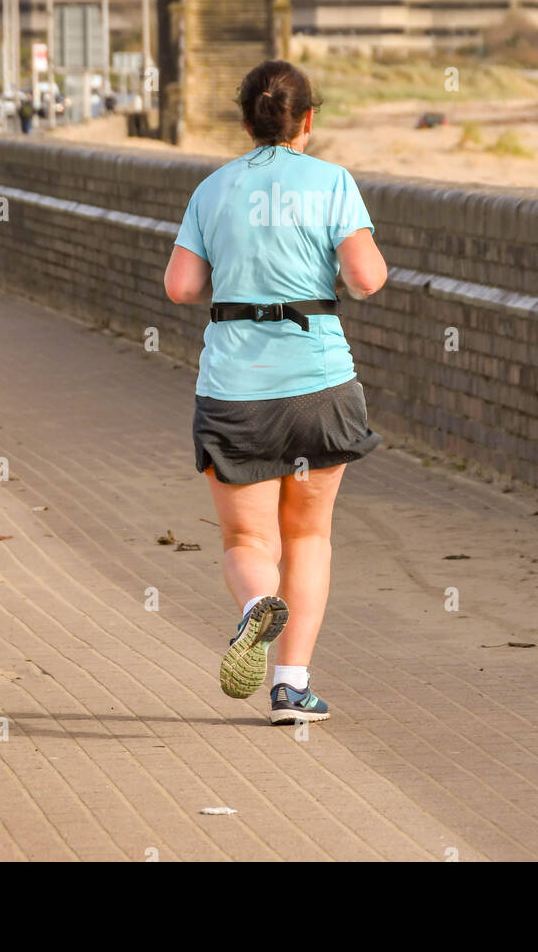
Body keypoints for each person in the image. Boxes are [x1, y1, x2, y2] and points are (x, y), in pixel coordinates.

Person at [164, 60, 387, 724]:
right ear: (308, 121)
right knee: (310, 537)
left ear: (245, 121)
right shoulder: (333, 183)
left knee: (246, 542)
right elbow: (366, 277)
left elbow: (179, 287)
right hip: (319, 383)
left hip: (236, 389)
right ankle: (291, 686)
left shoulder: (213, 189)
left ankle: (254, 607)